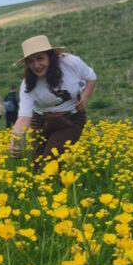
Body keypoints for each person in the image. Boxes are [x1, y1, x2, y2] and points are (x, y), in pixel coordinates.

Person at [9, 35, 97, 171]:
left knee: (51, 159)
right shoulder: (28, 84)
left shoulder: (71, 62)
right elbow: (23, 118)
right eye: (31, 61)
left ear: (50, 56)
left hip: (71, 118)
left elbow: (91, 78)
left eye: (40, 58)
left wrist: (84, 96)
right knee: (36, 164)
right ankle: (48, 189)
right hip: (41, 121)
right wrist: (15, 142)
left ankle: (60, 189)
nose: (36, 65)